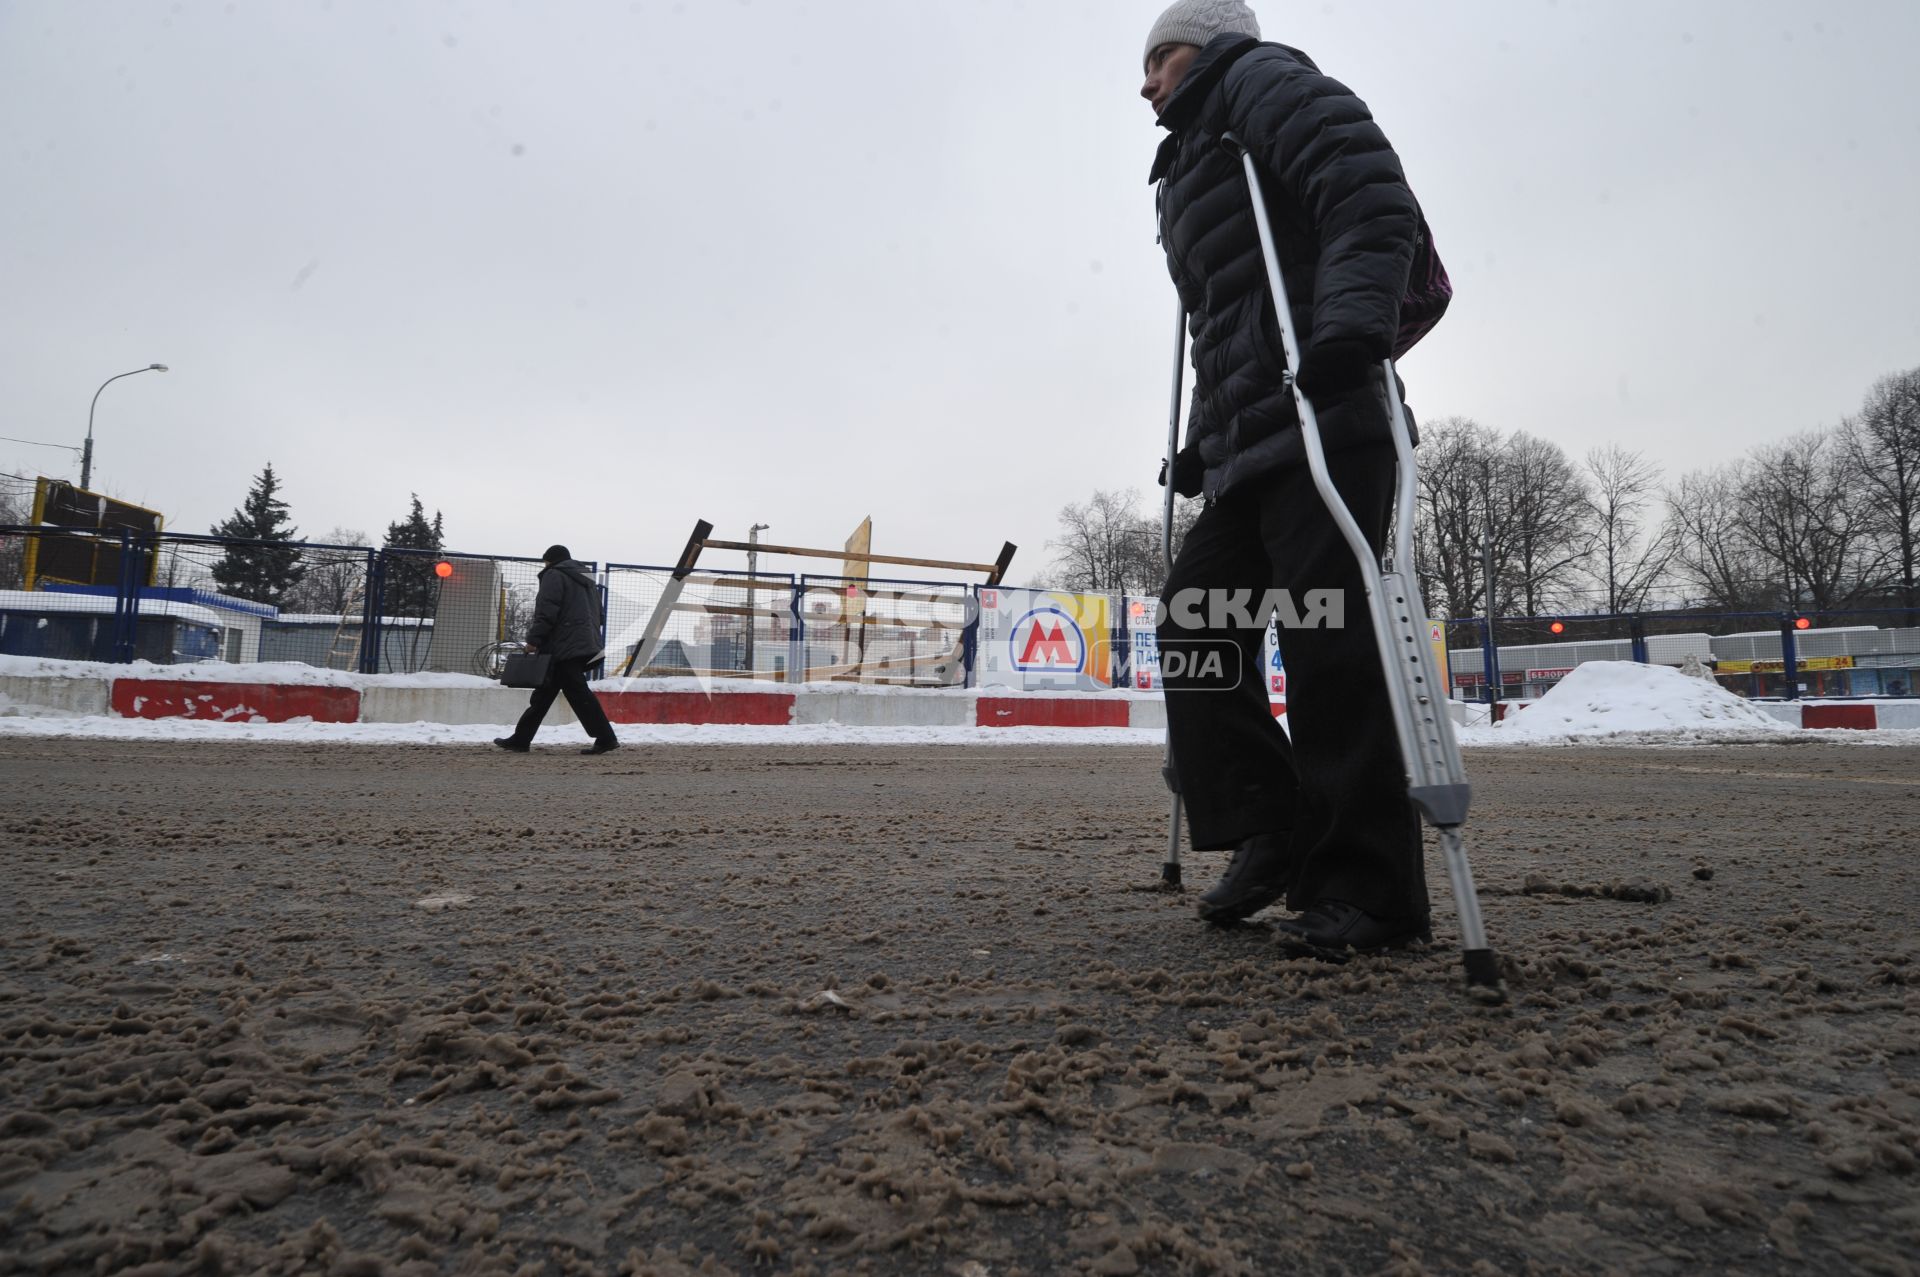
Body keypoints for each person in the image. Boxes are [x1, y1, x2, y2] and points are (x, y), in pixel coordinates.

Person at [1141, 0, 1431, 954]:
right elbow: (1231, 320)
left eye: (1162, 58)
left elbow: (1367, 193)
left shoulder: (1261, 85)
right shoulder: (1183, 161)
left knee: (1330, 644)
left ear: (1212, 44)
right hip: (1250, 442)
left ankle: (1371, 892)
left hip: (1328, 415)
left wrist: (1351, 330)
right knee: (1194, 618)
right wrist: (1201, 437)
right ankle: (1274, 826)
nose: (1146, 83)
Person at [493, 545, 619, 755]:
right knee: (544, 693)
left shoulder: (554, 574)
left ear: (550, 561)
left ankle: (606, 738)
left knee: (577, 693)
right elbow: (601, 616)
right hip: (584, 643)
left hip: (563, 646)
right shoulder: (587, 580)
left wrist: (534, 640)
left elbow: (547, 611)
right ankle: (521, 738)